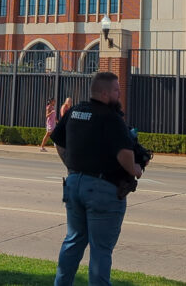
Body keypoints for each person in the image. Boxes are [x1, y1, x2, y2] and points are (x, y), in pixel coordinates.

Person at [51, 72, 142, 286]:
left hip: (73, 183)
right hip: (103, 189)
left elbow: (58, 142)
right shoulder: (110, 117)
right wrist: (135, 169)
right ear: (103, 93)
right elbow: (124, 154)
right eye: (116, 90)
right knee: (101, 250)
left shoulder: (75, 111)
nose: (119, 94)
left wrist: (72, 166)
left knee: (73, 241)